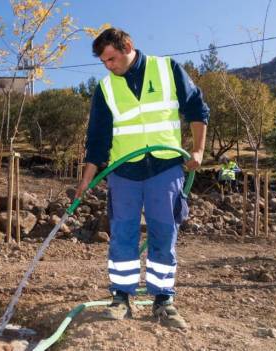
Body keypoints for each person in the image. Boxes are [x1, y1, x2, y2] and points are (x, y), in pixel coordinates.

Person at [75, 28, 209, 329]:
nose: (109, 66)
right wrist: (86, 180)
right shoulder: (106, 88)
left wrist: (198, 150)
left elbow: (197, 109)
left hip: (165, 169)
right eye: (103, 62)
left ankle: (163, 301)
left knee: (163, 232)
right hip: (124, 172)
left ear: (128, 47)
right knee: (123, 234)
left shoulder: (167, 69)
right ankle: (121, 298)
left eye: (111, 58)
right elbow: (97, 139)